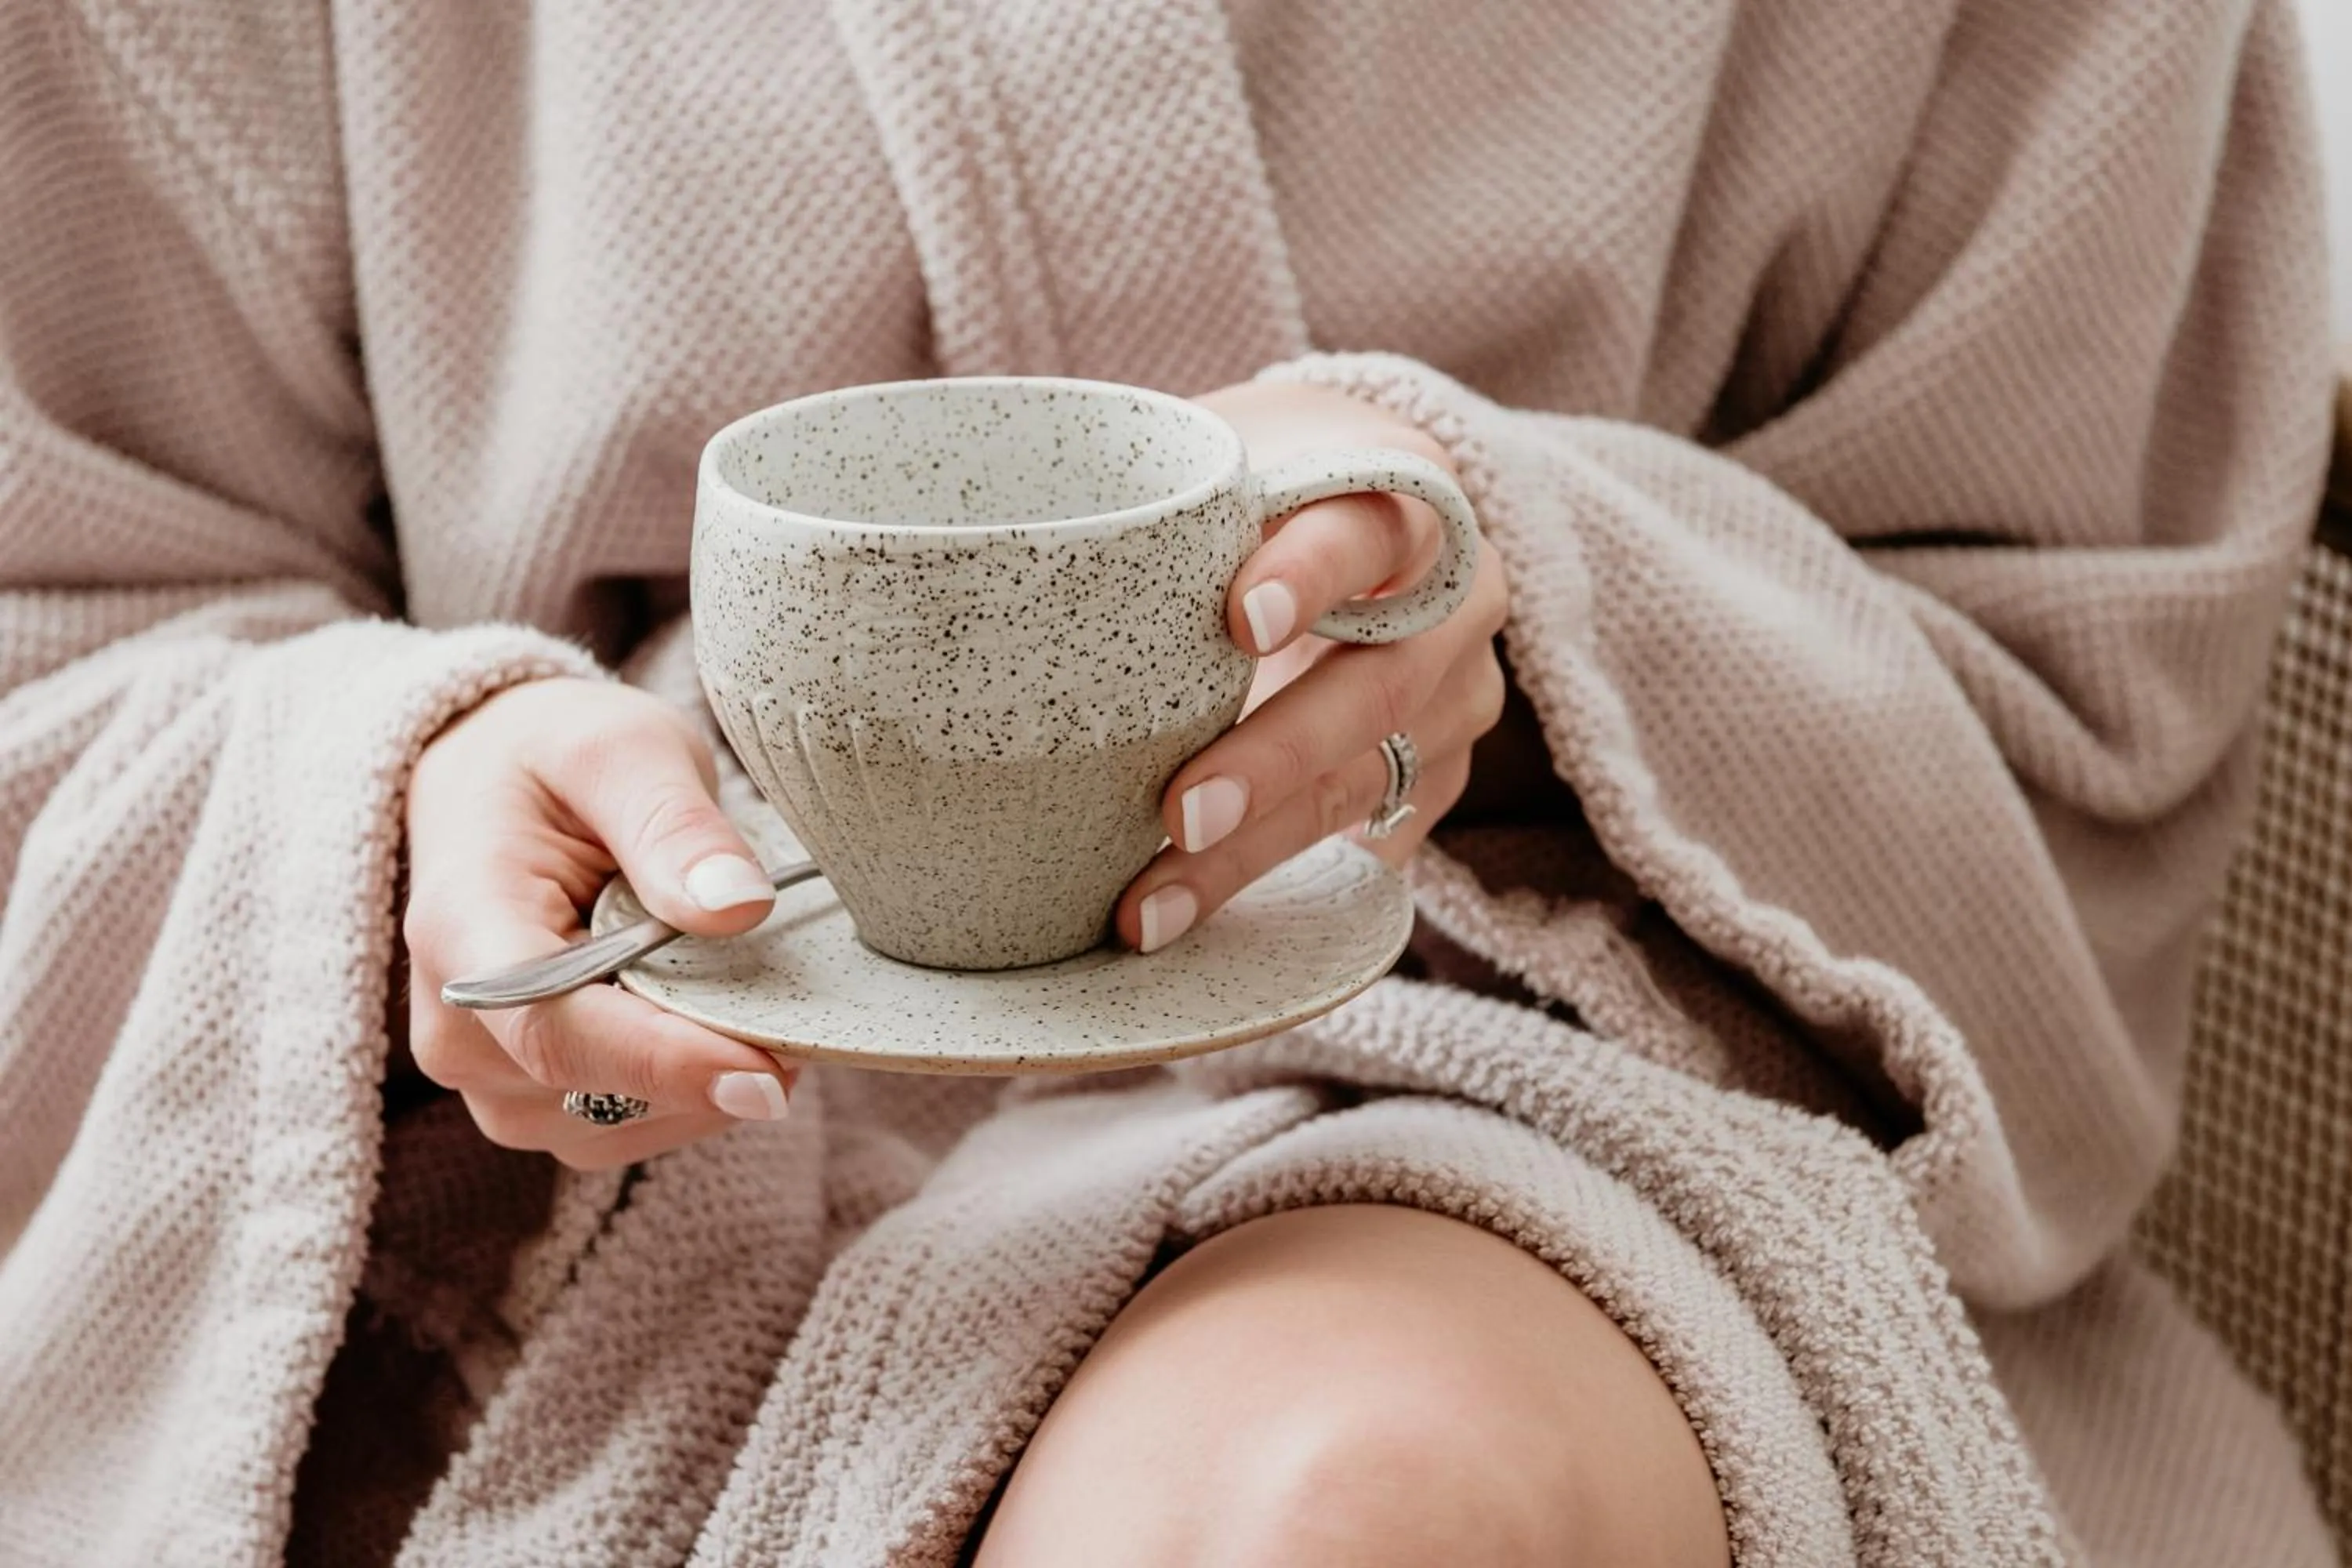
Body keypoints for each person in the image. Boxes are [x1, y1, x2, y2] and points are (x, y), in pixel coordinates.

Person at [0, 1, 2336, 1563]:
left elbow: (2071, 712)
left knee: (1340, 1500)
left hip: (1546, 1115)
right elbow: (59, 621)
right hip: (562, 1225)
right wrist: (413, 803)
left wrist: (1546, 600)